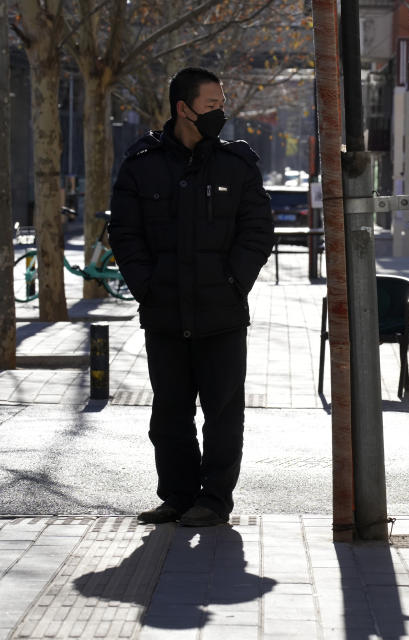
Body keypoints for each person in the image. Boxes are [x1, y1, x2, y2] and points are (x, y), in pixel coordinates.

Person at [110, 67, 274, 526]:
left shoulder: (236, 164)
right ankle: (177, 497)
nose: (220, 112)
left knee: (223, 413)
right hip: (164, 313)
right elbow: (124, 232)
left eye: (222, 103)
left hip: (221, 314)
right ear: (183, 109)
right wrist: (147, 285)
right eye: (211, 105)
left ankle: (214, 500)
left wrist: (232, 282)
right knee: (169, 414)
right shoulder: (141, 164)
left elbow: (258, 231)